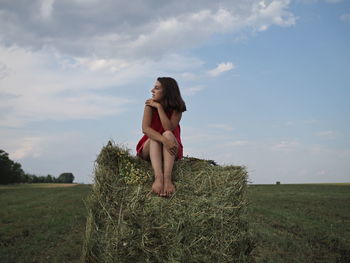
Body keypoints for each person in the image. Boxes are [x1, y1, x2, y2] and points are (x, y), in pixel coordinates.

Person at [136, 77, 187, 197]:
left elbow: (168, 128)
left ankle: (167, 179)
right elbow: (145, 129)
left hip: (171, 147)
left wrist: (159, 108)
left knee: (168, 134)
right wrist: (163, 140)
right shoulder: (149, 105)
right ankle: (158, 178)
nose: (152, 90)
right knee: (155, 136)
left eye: (157, 88)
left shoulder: (177, 108)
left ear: (167, 91)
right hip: (150, 146)